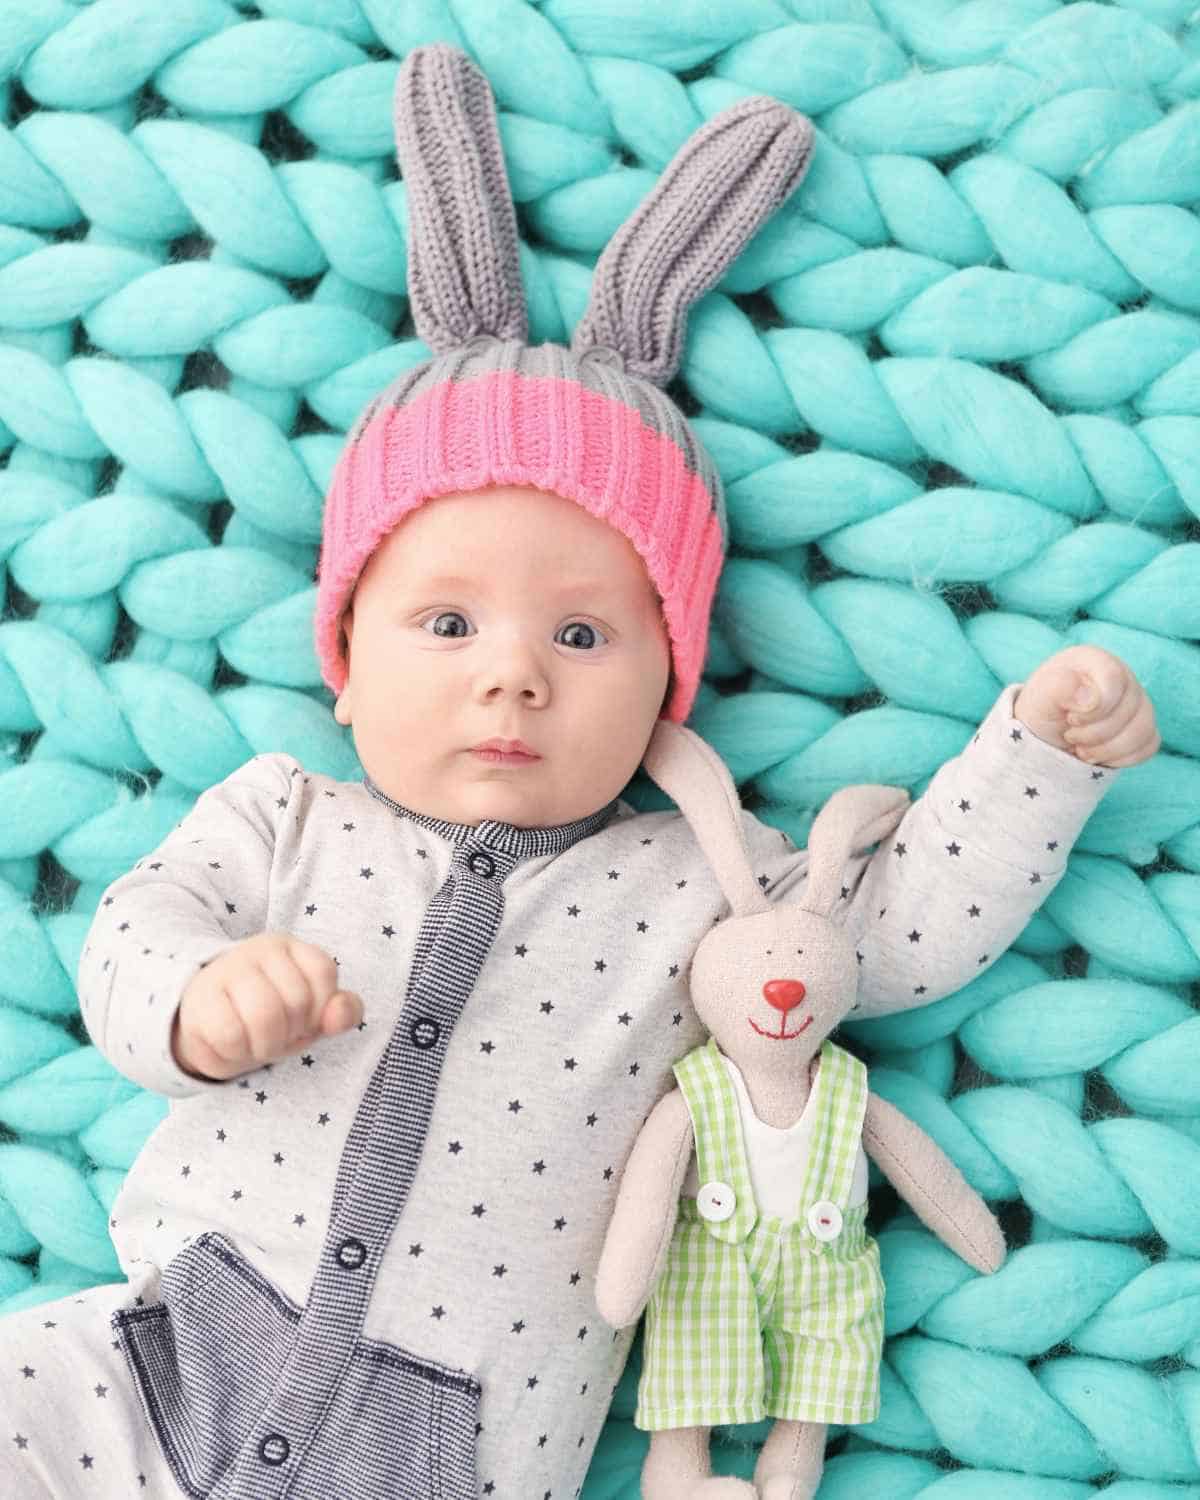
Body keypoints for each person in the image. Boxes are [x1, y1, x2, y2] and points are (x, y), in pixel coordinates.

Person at [0, 43, 1159, 1500]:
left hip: (459, 1448)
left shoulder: (697, 883)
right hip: (156, 1362)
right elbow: (132, 935)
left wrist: (1040, 756)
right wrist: (195, 1000)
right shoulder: (282, 818)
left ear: (671, 685)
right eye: (446, 622)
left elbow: (899, 928)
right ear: (344, 662)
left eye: (585, 632)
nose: (514, 674)